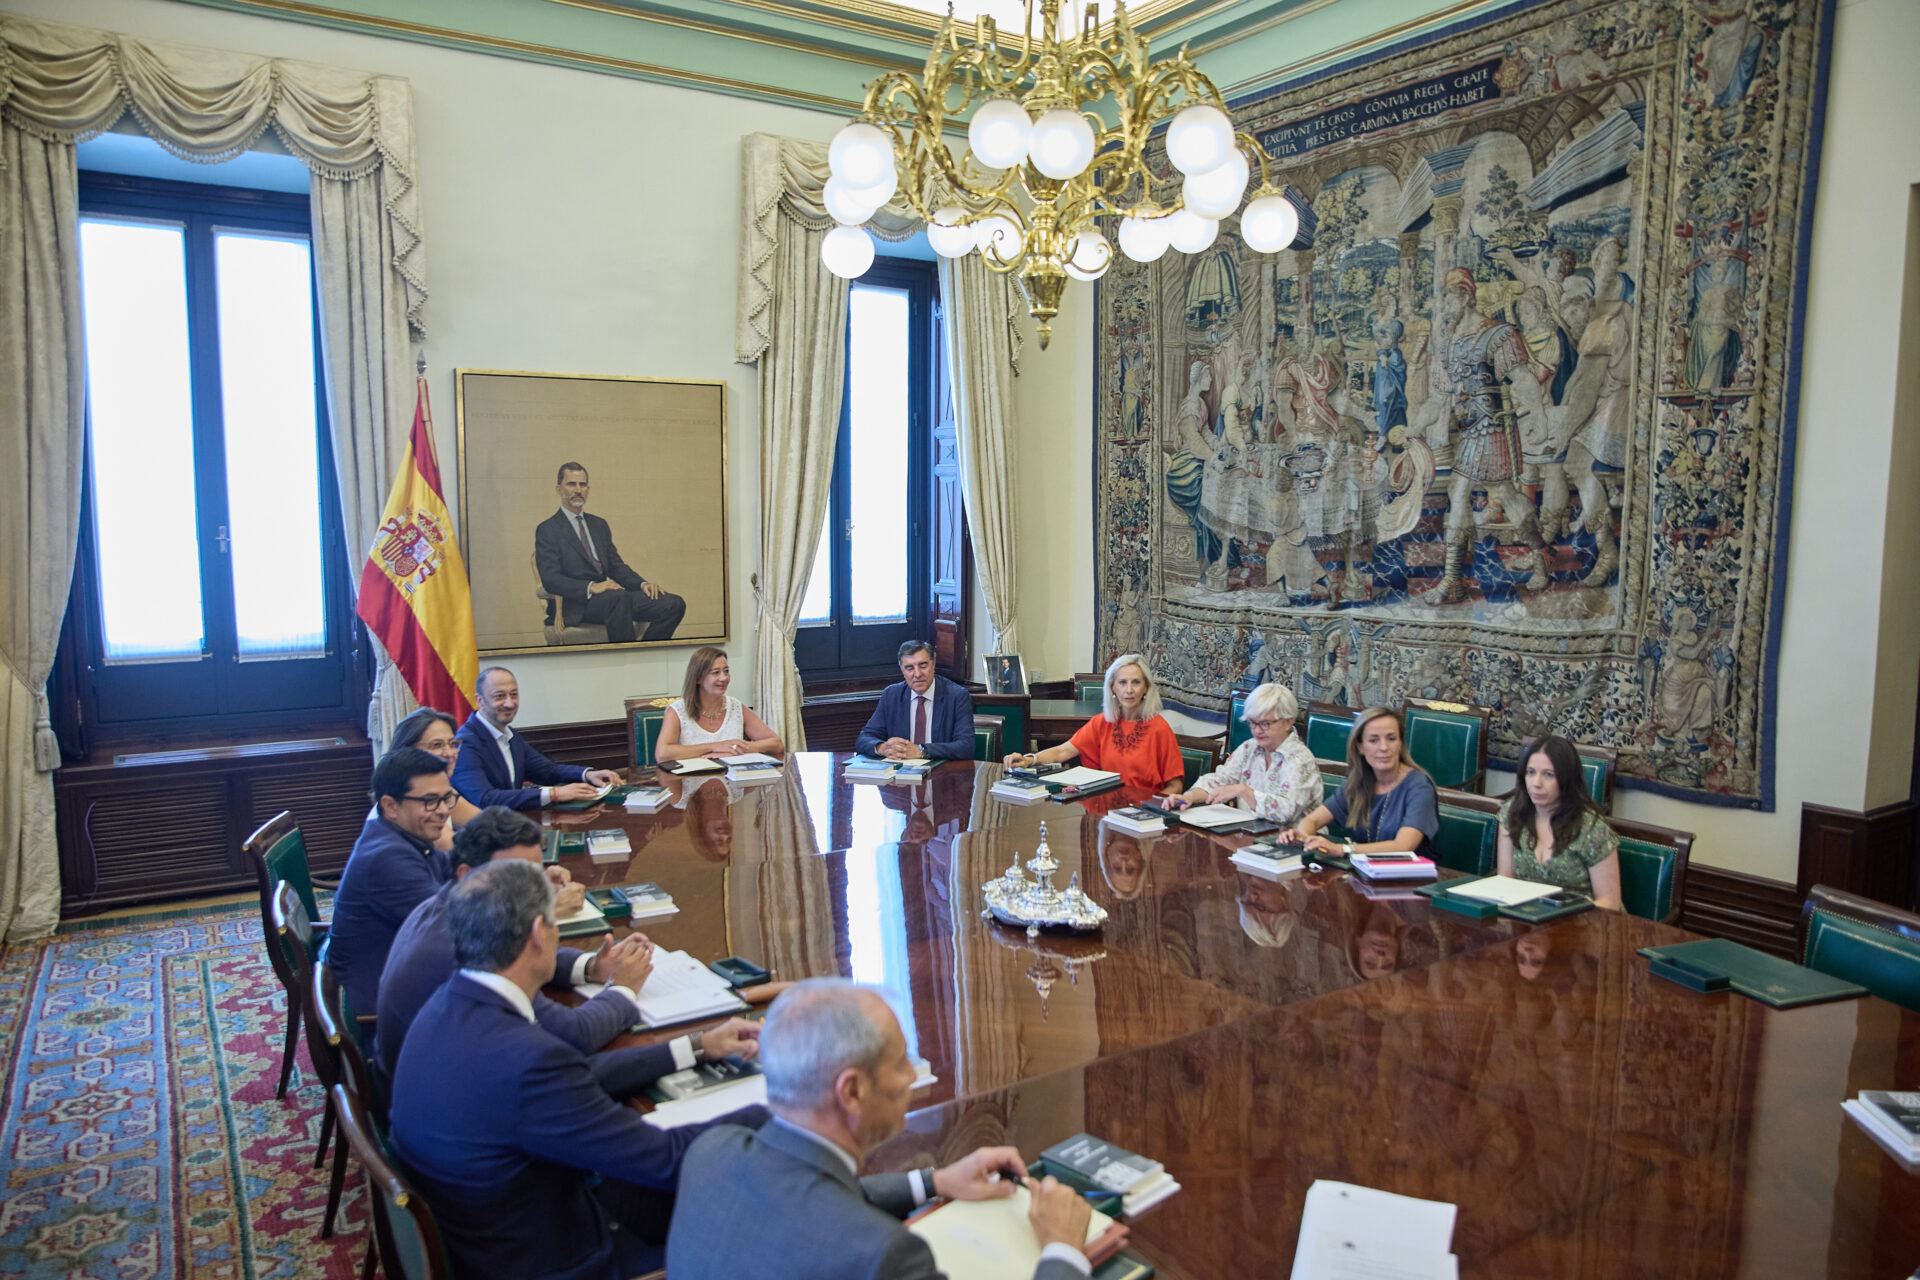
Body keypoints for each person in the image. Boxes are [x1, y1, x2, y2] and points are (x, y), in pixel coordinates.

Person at [389, 860, 769, 1280]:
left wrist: (696, 1046)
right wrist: (781, 1111)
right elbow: (667, 1160)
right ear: (539, 933)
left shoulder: (444, 1006)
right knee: (760, 1211)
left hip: (489, 1230)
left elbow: (576, 1076)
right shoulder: (528, 1062)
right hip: (557, 1261)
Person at [665, 978, 1093, 1280]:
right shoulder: (882, 1257)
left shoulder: (710, 1153)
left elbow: (807, 1195)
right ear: (851, 1091)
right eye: (902, 1061)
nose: (911, 1077)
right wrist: (1063, 1248)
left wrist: (937, 1181)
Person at [375, 806, 760, 1092]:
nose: (538, 889)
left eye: (537, 872)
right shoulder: (462, 951)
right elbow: (574, 1036)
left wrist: (592, 966)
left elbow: (519, 945)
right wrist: (623, 989)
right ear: (467, 873)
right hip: (452, 1106)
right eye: (519, 875)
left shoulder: (452, 904)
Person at [1420, 268, 1554, 603]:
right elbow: (1437, 399)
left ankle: (1457, 579)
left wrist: (1539, 416)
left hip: (1492, 427)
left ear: (1466, 296)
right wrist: (1414, 427)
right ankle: (1537, 558)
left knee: (1477, 492)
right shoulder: (1449, 345)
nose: (1445, 307)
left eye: (1449, 299)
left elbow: (1522, 378)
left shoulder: (1498, 334)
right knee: (1492, 494)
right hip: (1469, 431)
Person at [326, 748, 456, 1019]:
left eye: (446, 798)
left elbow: (456, 869)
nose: (444, 811)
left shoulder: (401, 836)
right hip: (376, 1015)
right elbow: (455, 926)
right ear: (390, 806)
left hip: (399, 981)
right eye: (430, 801)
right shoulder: (387, 858)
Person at [534, 461, 686, 642]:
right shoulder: (548, 529)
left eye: (582, 484)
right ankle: (627, 656)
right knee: (618, 598)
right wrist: (591, 587)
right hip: (577, 605)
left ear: (588, 489)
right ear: (559, 489)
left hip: (612, 598)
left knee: (673, 604)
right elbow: (551, 579)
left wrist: (642, 584)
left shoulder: (599, 525)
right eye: (571, 484)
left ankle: (644, 653)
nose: (578, 490)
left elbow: (616, 566)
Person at [1004, 654, 1183, 794]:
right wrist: (1029, 759)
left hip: (1144, 814)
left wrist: (1151, 809)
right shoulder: (1102, 722)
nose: (1129, 690)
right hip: (1106, 808)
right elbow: (1062, 751)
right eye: (1122, 682)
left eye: (1136, 682)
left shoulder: (1159, 728)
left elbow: (1176, 785)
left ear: (1146, 688)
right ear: (1113, 688)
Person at [451, 666, 622, 810]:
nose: (510, 703)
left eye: (514, 694)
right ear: (479, 700)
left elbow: (547, 771)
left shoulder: (510, 735)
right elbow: (484, 799)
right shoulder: (465, 743)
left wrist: (588, 774)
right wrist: (554, 794)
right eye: (499, 696)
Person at [1282, 708, 1439, 859]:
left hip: (1410, 873)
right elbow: (1311, 820)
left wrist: (1342, 849)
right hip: (1364, 870)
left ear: (1400, 744)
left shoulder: (1419, 786)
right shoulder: (1358, 780)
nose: (1384, 747)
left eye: (1391, 738)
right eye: (1373, 740)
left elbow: (1404, 846)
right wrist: (1304, 838)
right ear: (1360, 747)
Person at [1496, 736, 1623, 910]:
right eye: (1530, 772)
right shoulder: (1512, 812)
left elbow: (1609, 904)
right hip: (1526, 917)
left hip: (1583, 921)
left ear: (1566, 779)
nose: (1536, 783)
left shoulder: (1593, 830)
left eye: (1548, 775)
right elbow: (1505, 883)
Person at [1168, 683, 1321, 824]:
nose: (1257, 730)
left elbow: (1286, 812)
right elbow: (1219, 781)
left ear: (1288, 721)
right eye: (1252, 723)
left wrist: (1243, 791)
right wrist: (1189, 797)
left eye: (1265, 724)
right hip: (1250, 832)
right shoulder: (1249, 747)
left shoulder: (1300, 759)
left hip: (1294, 839)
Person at [656, 646, 785, 762]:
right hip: (692, 779)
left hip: (733, 777)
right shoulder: (677, 710)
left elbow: (776, 744)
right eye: (715, 672)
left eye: (726, 671)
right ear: (698, 678)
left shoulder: (735, 707)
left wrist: (736, 748)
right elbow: (662, 753)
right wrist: (714, 747)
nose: (724, 678)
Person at [856, 641, 975, 761]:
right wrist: (882, 748)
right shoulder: (891, 695)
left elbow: (966, 746)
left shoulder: (957, 696)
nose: (917, 674)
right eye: (909, 668)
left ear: (933, 665)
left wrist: (921, 751)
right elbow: (864, 738)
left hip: (941, 769)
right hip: (902, 769)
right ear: (902, 671)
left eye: (923, 666)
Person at [387, 707, 483, 846]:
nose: (450, 753)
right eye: (437, 745)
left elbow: (489, 824)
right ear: (408, 751)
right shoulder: (408, 798)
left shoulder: (441, 791)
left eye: (452, 744)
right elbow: (455, 850)